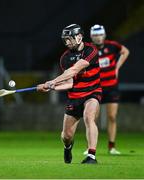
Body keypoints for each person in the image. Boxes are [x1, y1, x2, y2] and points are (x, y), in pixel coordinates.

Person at [37, 24, 102, 164]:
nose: (67, 42)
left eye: (69, 39)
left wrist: (52, 81)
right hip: (74, 97)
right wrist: (51, 87)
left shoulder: (91, 50)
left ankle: (91, 156)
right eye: (65, 40)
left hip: (92, 92)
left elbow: (74, 70)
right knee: (66, 136)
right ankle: (67, 147)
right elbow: (70, 83)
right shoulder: (64, 58)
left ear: (79, 37)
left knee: (89, 118)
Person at [83, 24, 129, 155]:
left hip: (112, 87)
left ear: (104, 35)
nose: (98, 37)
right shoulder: (89, 49)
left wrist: (117, 67)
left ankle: (111, 147)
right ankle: (89, 147)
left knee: (112, 116)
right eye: (95, 35)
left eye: (100, 34)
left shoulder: (112, 46)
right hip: (95, 87)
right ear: (92, 36)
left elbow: (126, 51)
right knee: (92, 118)